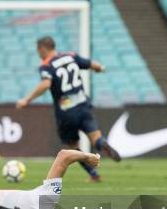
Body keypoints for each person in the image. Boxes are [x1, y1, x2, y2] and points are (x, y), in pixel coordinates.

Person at [16, 36, 120, 183]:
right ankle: (103, 144)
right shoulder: (70, 56)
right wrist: (101, 68)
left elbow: (46, 84)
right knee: (96, 137)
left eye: (38, 51)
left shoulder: (46, 65)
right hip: (83, 104)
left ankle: (94, 174)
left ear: (43, 49)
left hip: (66, 111)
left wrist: (27, 99)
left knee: (73, 147)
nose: (39, 54)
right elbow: (92, 64)